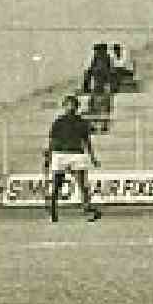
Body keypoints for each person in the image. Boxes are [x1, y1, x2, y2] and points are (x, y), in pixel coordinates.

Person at [44, 94, 100, 222]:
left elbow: (87, 141)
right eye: (68, 104)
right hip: (61, 154)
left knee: (82, 184)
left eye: (73, 104)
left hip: (76, 154)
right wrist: (49, 155)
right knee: (58, 183)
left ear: (77, 107)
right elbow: (52, 141)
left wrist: (92, 157)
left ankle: (87, 209)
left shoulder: (81, 122)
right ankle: (53, 210)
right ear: (64, 106)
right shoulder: (58, 122)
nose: (70, 107)